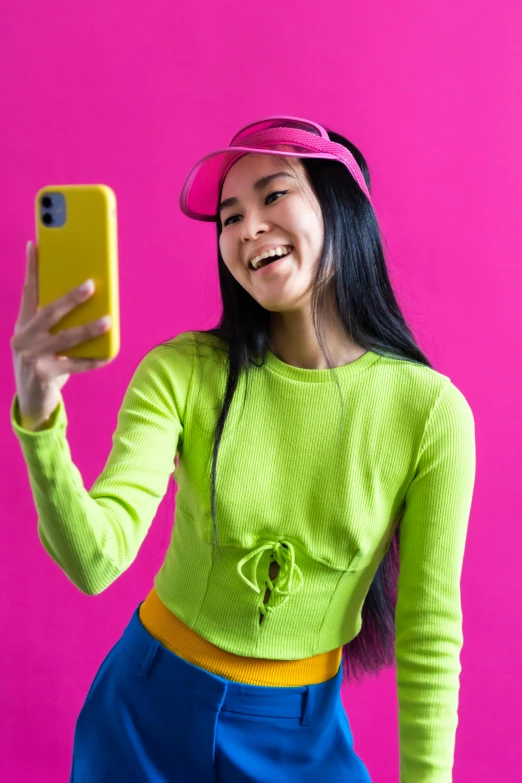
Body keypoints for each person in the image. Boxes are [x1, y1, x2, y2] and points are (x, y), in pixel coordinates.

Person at [10, 116, 476, 782]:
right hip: (144, 713)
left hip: (297, 736)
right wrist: (39, 412)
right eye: (228, 217)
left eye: (273, 195)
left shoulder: (431, 413)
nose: (247, 226)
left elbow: (430, 631)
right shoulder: (182, 371)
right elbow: (95, 559)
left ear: (341, 207)